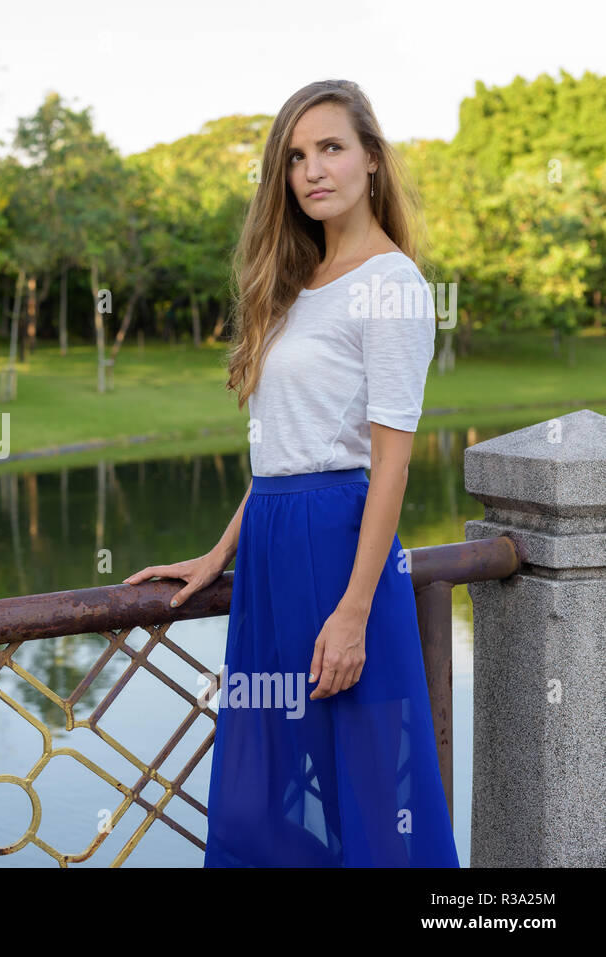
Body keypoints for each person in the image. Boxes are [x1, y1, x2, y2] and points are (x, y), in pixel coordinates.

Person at [124, 79, 459, 867]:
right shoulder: (297, 285)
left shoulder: (392, 284)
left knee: (368, 799)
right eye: (296, 157)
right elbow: (281, 446)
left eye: (332, 148)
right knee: (256, 794)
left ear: (372, 162)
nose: (312, 169)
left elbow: (392, 460)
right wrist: (218, 553)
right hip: (272, 550)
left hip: (340, 552)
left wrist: (353, 611)